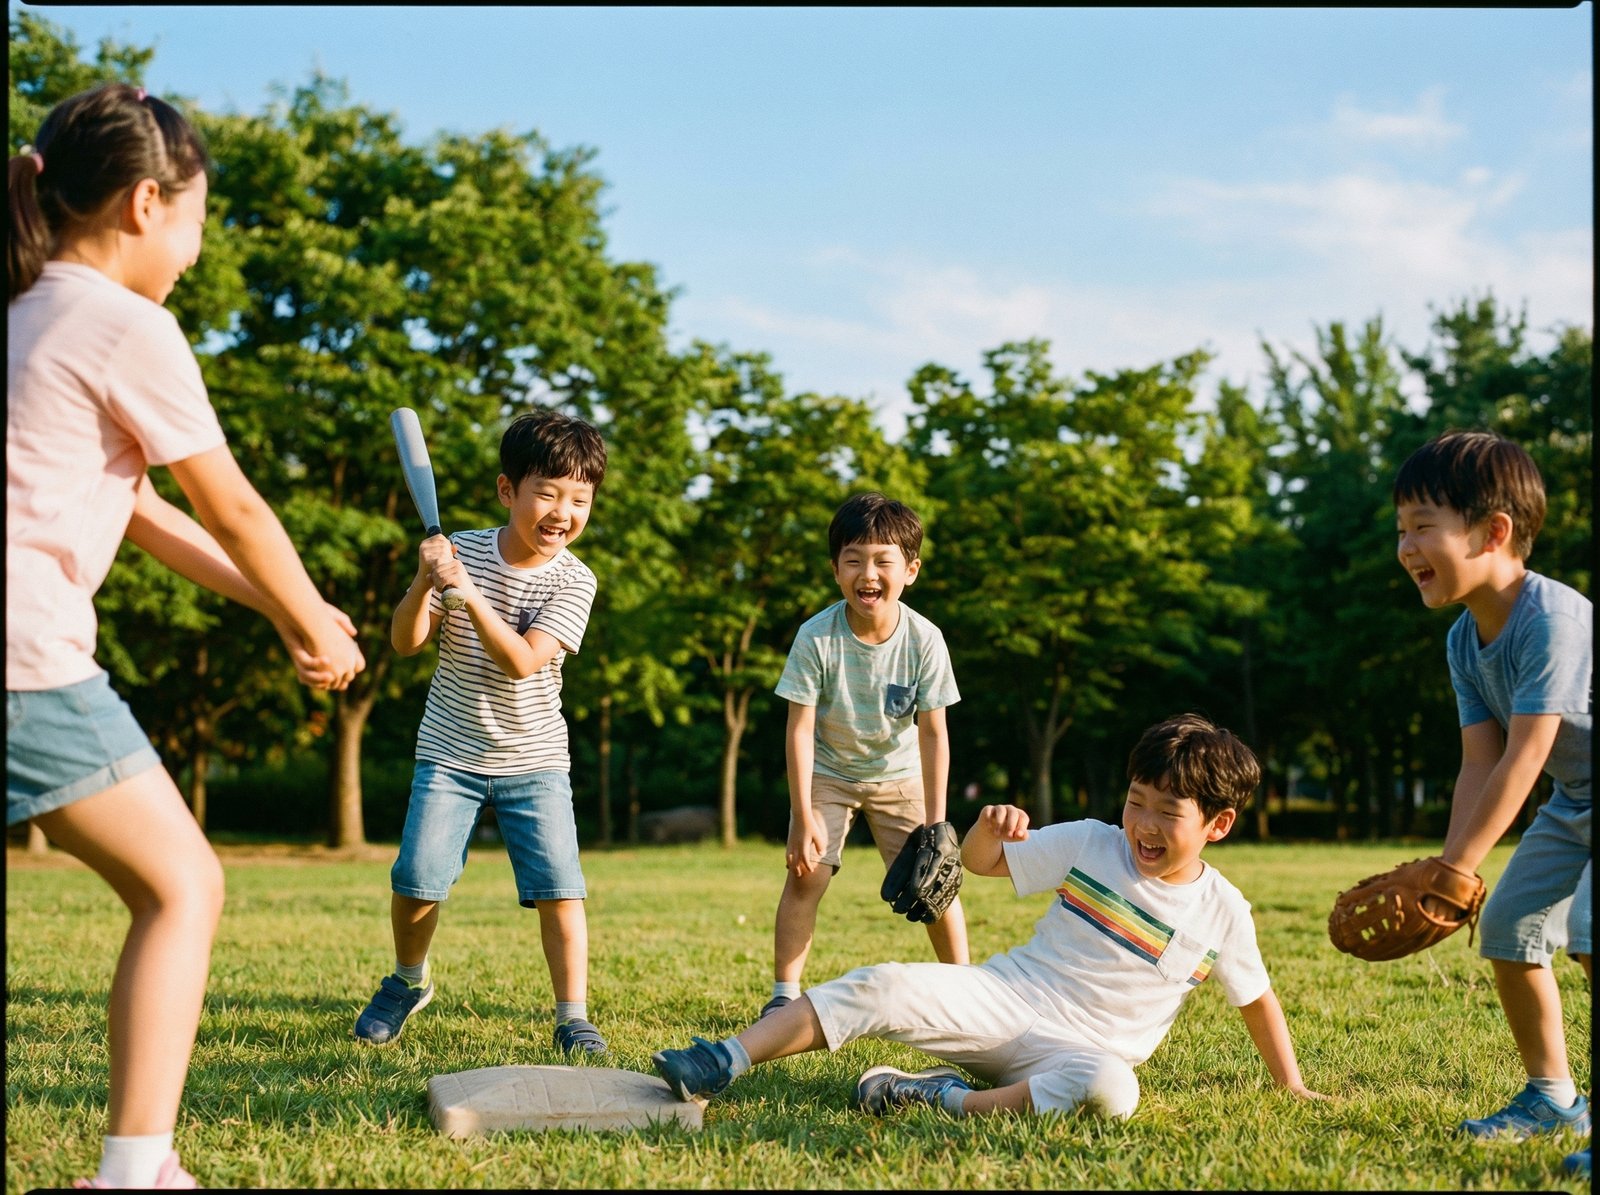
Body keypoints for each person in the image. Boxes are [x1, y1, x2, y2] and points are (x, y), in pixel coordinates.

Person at [7, 82, 366, 1190]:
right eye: (200, 220)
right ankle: (135, 1171)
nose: (200, 252)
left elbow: (148, 514)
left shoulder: (28, 313)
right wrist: (316, 623)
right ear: (144, 203)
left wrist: (282, 611)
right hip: (22, 654)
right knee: (183, 886)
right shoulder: (126, 322)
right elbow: (234, 508)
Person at [653, 714, 1325, 1119]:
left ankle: (939, 1099)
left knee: (1112, 1090)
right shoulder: (1094, 841)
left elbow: (1257, 1000)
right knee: (881, 981)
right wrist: (986, 826)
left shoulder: (1223, 911)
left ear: (1219, 823)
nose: (1143, 824)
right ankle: (725, 1059)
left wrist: (1290, 1084)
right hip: (1006, 997)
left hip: (1081, 1053)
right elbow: (981, 864)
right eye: (1137, 800)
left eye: (1167, 812)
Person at [353, 408, 610, 1056]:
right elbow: (406, 641)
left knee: (560, 887)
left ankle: (572, 1014)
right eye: (547, 492)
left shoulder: (574, 578)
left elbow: (523, 659)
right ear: (508, 491)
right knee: (416, 876)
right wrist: (426, 579)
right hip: (450, 750)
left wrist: (466, 590)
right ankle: (408, 980)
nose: (562, 511)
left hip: (535, 756)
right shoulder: (461, 549)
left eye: (579, 498)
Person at [1393, 430, 1591, 1174]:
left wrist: (1457, 869)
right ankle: (1553, 1098)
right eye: (1401, 530)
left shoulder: (1553, 619)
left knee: (1593, 929)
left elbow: (1527, 752)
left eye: (1422, 526)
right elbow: (1479, 759)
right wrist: (1454, 868)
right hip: (1579, 800)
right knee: (1508, 927)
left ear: (1494, 530)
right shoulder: (1461, 641)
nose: (1407, 546)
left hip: (1571, 785)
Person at [760, 492, 968, 1021]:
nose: (867, 573)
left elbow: (934, 734)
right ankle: (784, 994)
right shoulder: (816, 637)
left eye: (882, 560)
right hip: (829, 772)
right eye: (853, 560)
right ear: (835, 570)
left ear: (911, 570)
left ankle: (966, 991)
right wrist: (804, 817)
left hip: (899, 776)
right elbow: (799, 729)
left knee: (935, 882)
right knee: (807, 875)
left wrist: (937, 824)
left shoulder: (925, 640)